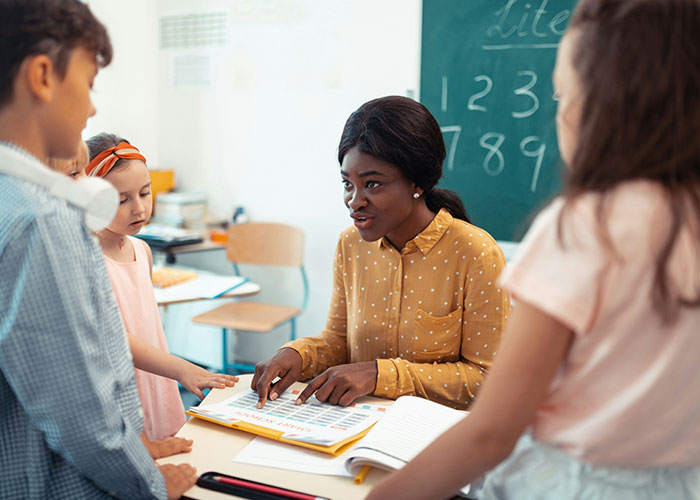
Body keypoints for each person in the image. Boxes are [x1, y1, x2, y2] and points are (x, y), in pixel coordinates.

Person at [365, 0, 700, 499]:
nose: (559, 114)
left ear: (608, 104)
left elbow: (491, 431)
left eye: (565, 96)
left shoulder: (588, 226)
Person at [0, 0, 197, 498]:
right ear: (43, 75)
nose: (91, 108)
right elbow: (77, 410)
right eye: (88, 84)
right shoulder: (41, 220)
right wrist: (145, 481)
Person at [252, 96, 511, 409]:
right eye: (348, 183)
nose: (354, 201)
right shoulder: (351, 244)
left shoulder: (475, 252)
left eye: (372, 184)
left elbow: (487, 379)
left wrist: (379, 375)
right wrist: (297, 353)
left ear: (417, 183)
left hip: (434, 438)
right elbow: (339, 341)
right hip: (354, 426)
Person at [85, 132, 239, 440]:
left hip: (157, 378)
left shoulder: (142, 251)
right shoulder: (86, 260)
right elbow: (114, 338)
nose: (139, 209)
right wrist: (181, 368)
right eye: (122, 200)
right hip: (123, 387)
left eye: (144, 193)